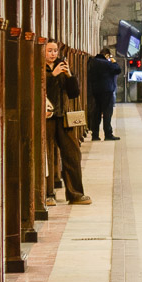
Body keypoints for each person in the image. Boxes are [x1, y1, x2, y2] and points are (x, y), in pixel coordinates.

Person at [44, 41, 91, 205]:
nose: (53, 54)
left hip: (63, 116)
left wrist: (70, 75)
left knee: (72, 153)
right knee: (46, 156)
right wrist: (53, 75)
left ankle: (75, 194)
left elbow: (74, 93)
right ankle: (47, 195)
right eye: (49, 50)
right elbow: (38, 88)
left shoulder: (62, 68)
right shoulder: (39, 68)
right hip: (46, 118)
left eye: (55, 51)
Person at [88, 48, 122, 141]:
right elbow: (118, 70)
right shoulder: (107, 63)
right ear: (107, 55)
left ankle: (95, 135)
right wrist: (113, 61)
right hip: (107, 91)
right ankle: (108, 134)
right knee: (107, 113)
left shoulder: (92, 62)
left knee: (96, 113)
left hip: (95, 91)